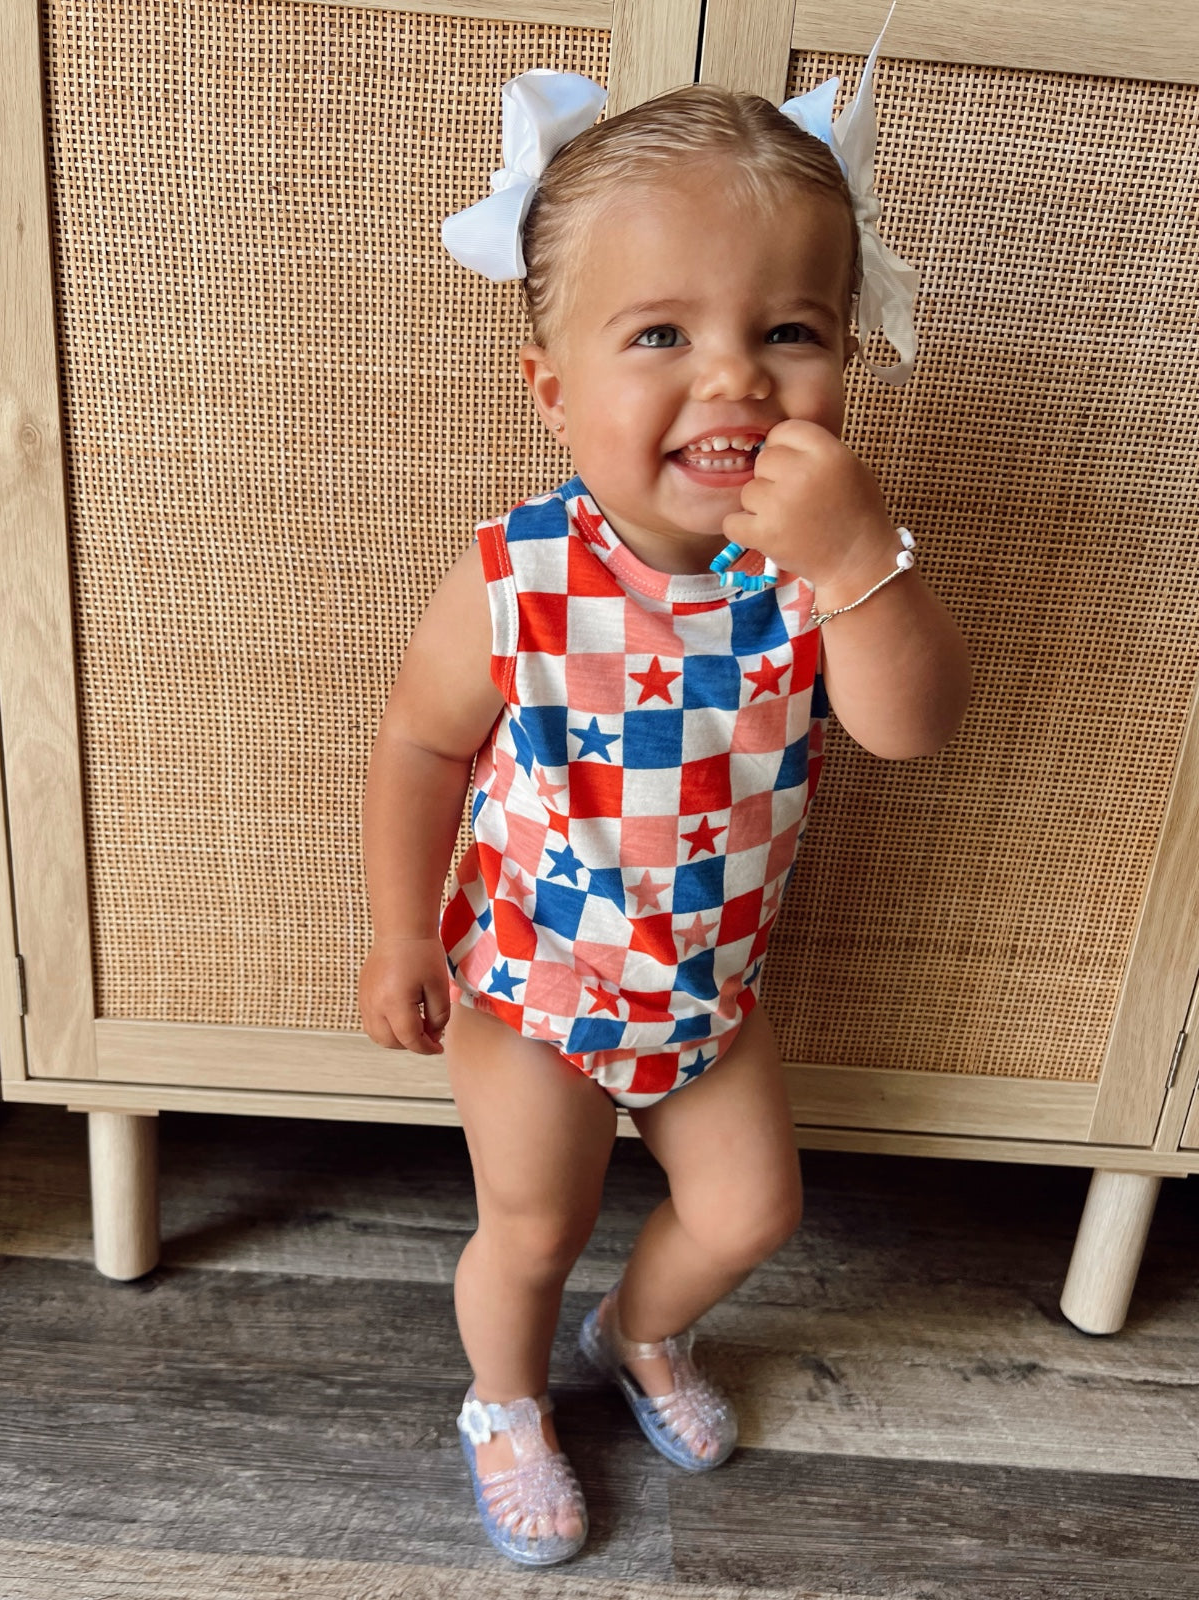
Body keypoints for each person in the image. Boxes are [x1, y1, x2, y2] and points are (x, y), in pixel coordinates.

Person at [359, 45, 970, 1569]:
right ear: (555, 388)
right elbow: (424, 751)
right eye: (661, 334)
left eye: (789, 331)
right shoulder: (512, 578)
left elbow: (911, 726)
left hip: (709, 987)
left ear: (848, 354)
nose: (737, 379)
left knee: (754, 1207)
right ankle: (505, 1401)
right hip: (535, 983)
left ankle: (641, 1332)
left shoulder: (812, 569)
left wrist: (860, 559)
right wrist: (398, 937)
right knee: (531, 1226)